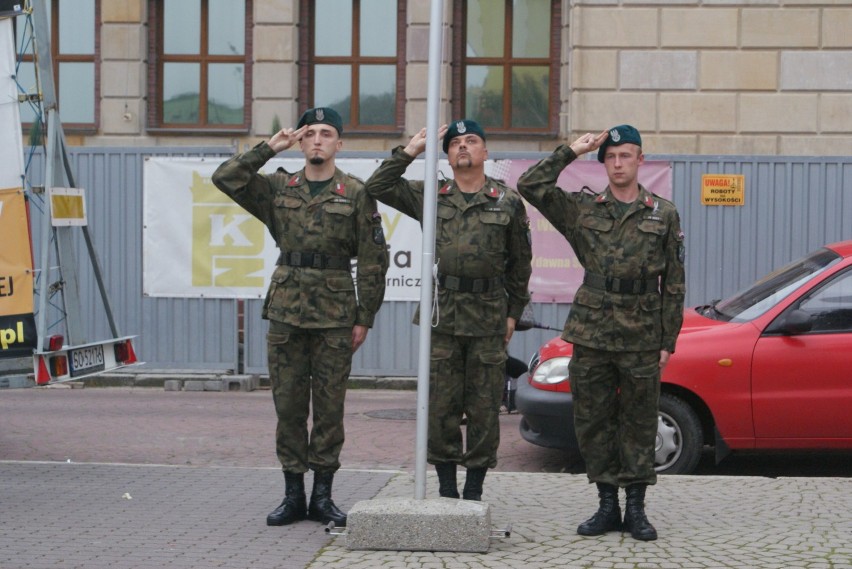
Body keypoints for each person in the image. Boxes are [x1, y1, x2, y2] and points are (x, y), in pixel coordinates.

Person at [211, 107, 389, 528]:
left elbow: (373, 261)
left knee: (329, 409)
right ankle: (293, 495)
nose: (317, 141)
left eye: (326, 134)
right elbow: (225, 178)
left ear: (338, 144)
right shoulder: (277, 188)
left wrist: (365, 316)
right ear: (301, 141)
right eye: (310, 134)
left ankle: (323, 497)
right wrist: (268, 148)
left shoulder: (356, 193)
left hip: (334, 315)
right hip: (288, 312)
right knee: (288, 407)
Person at [517, 125, 685, 541]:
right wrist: (572, 150)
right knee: (593, 420)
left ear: (640, 160)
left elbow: (675, 283)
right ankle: (607, 504)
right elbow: (530, 184)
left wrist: (668, 339)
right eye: (610, 157)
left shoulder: (662, 213)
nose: (617, 163)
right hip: (592, 331)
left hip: (643, 332)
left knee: (640, 421)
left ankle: (637, 508)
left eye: (625, 155)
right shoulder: (584, 209)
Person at [364, 120, 532, 501]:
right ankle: (446, 489)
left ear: (485, 153)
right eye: (455, 143)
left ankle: (474, 491)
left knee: (484, 406)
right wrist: (410, 151)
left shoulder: (506, 201)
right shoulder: (432, 196)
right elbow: (377, 187)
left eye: (471, 141)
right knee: (442, 405)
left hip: (489, 314)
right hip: (443, 314)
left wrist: (512, 313)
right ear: (448, 155)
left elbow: (520, 264)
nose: (462, 147)